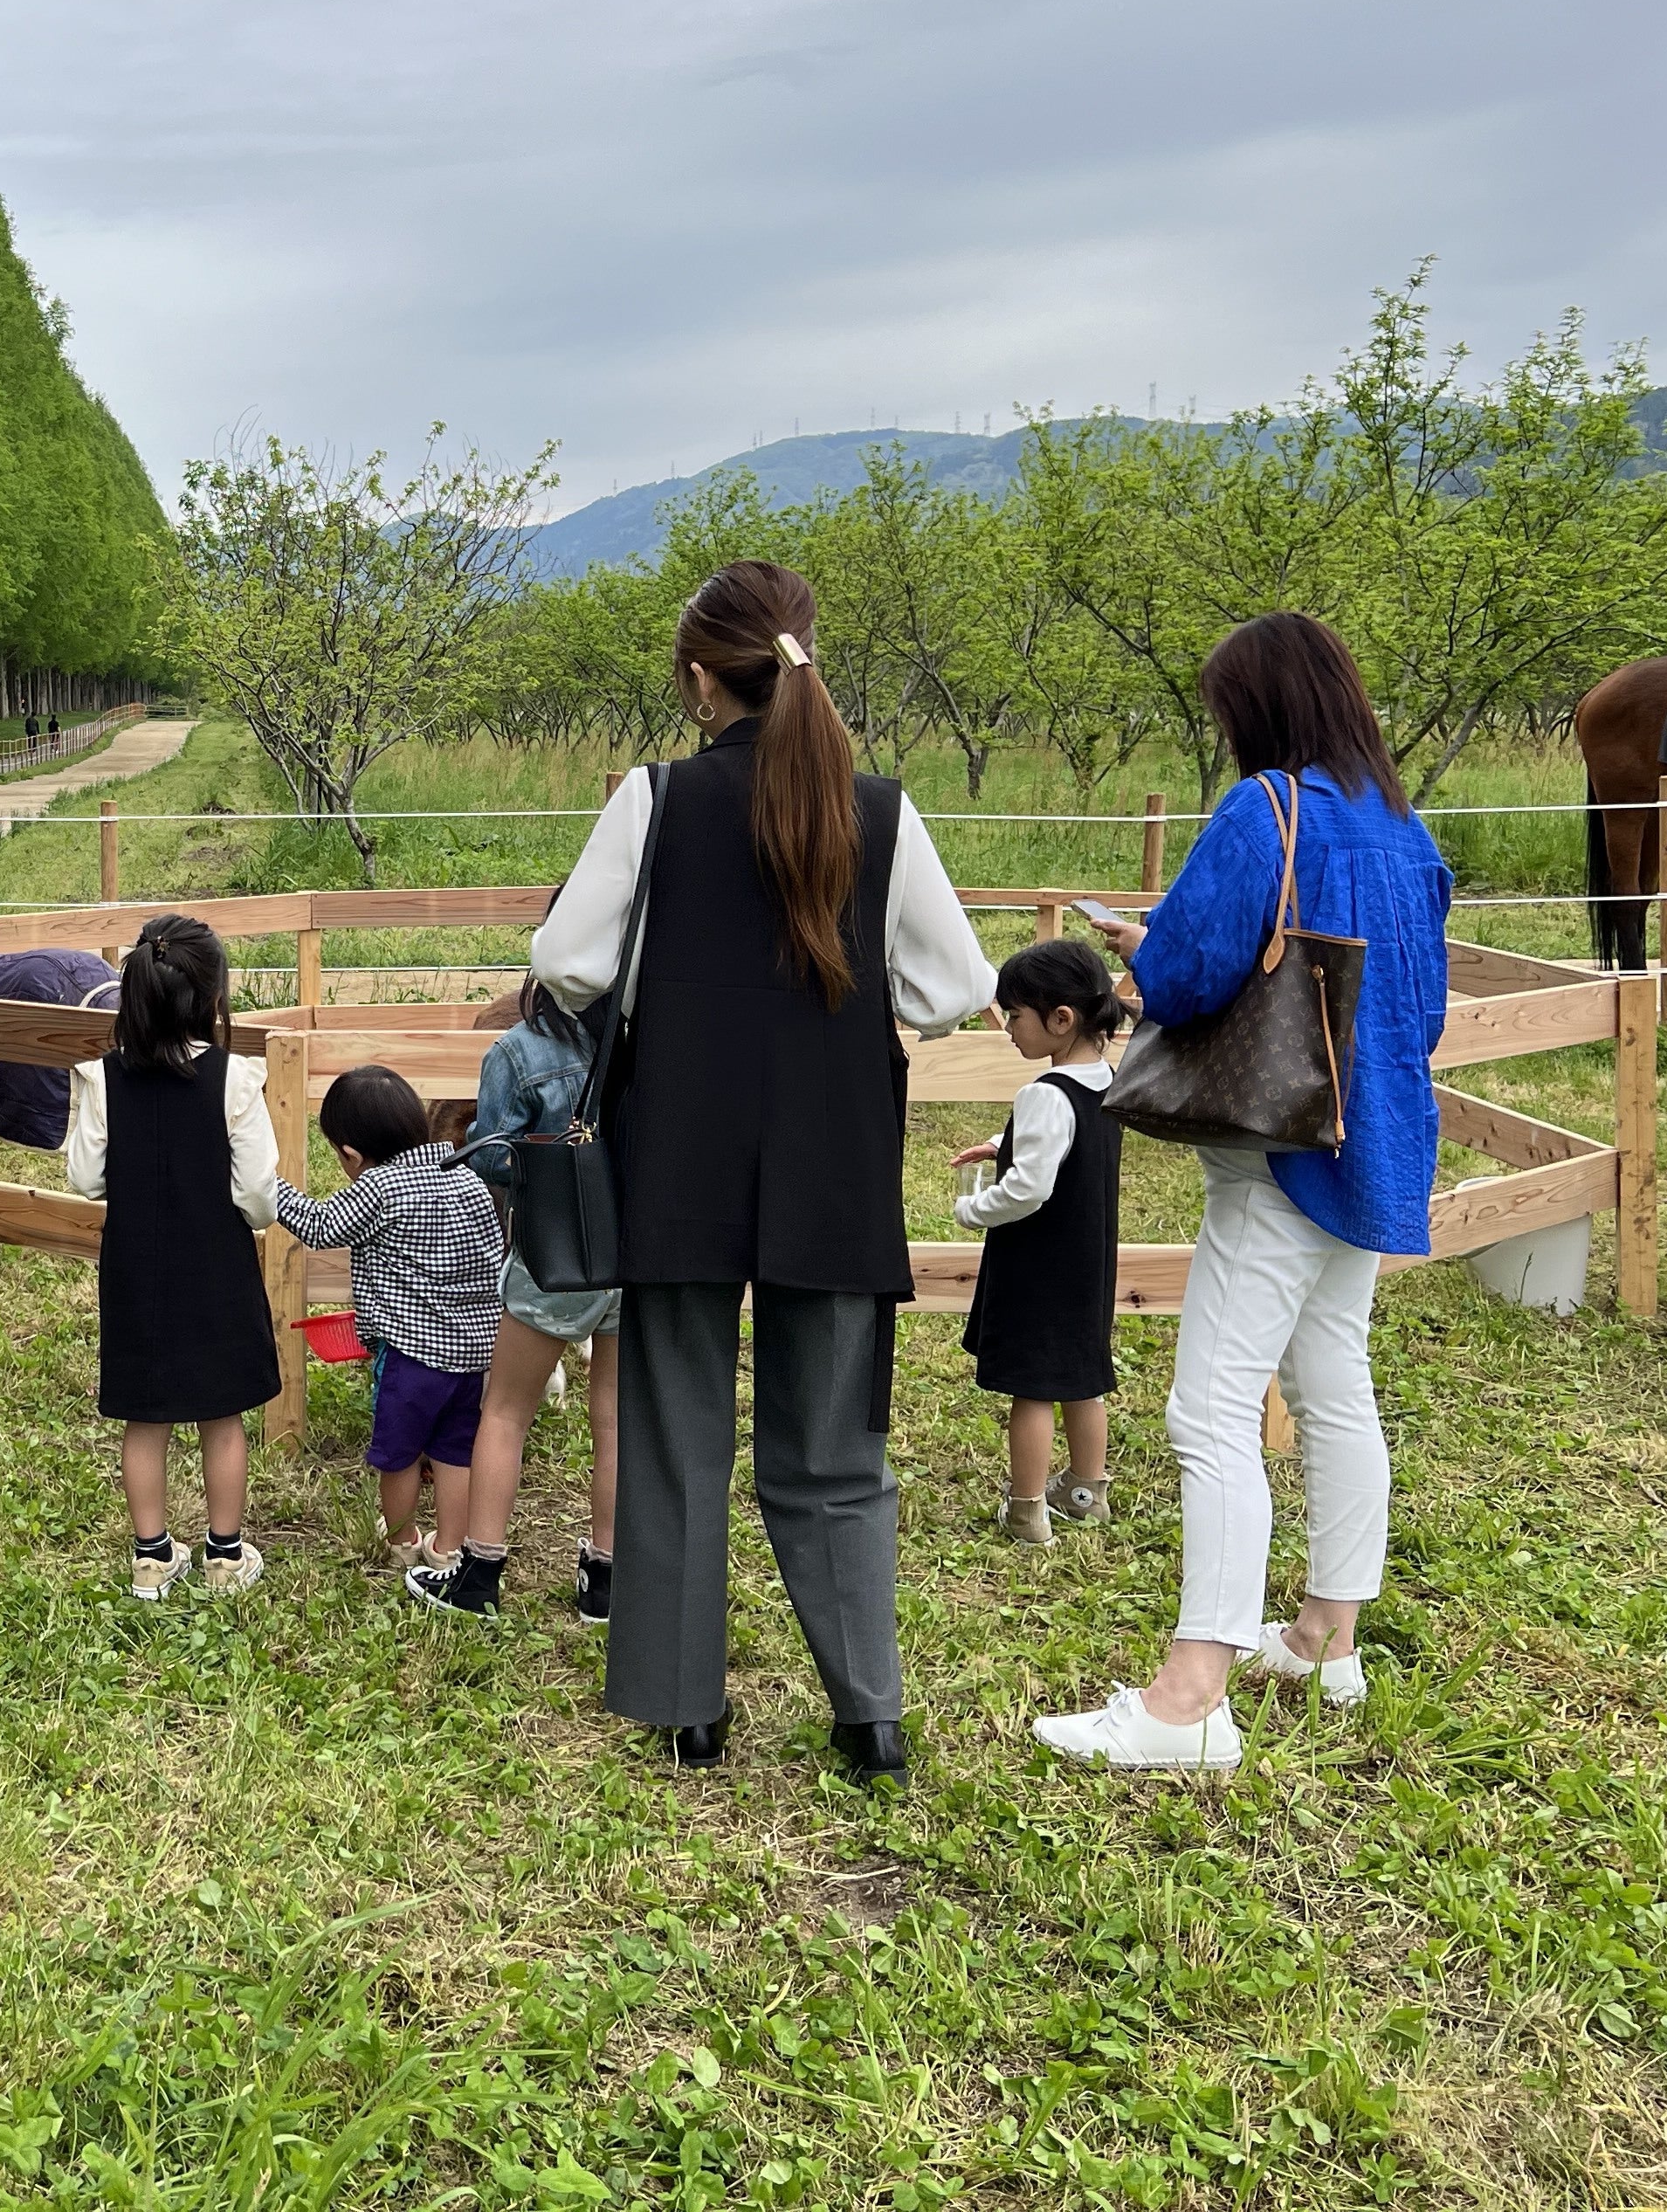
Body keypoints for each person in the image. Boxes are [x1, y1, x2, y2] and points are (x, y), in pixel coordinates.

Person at [533, 560, 995, 1782]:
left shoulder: (656, 800)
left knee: (678, 1436)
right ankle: (869, 1717)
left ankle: (689, 1709)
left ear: (700, 680)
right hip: (835, 1162)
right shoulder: (878, 811)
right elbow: (955, 988)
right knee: (836, 1449)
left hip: (678, 1158)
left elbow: (567, 961)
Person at [1037, 613, 1450, 1771]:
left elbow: (1185, 976)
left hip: (1278, 1152)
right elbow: (1417, 1000)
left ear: (1261, 709)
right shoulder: (1401, 824)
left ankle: (1189, 1699)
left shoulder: (1263, 809)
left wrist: (1144, 943)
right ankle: (1326, 1639)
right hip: (1371, 1140)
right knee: (1334, 1381)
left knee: (1210, 1411)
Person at [61, 913, 282, 1600]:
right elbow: (258, 1196)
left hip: (136, 1270)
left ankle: (152, 1558)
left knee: (146, 1415)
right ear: (214, 998)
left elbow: (85, 1178)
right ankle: (225, 1556)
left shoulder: (103, 1079)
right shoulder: (236, 1080)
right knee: (223, 1416)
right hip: (217, 1267)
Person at [418, 976, 623, 1621]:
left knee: (505, 1412)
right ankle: (606, 1581)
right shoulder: (650, 1036)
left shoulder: (521, 1049)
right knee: (616, 1419)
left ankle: (478, 1575)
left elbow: (491, 1154)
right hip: (635, 1254)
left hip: (556, 1251)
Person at [268, 1065, 506, 1577]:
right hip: (473, 1357)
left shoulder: (380, 1186)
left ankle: (403, 1540)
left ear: (351, 1155)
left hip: (410, 1358)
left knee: (399, 1454)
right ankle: (449, 1547)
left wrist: (268, 1186)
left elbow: (321, 1226)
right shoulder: (466, 1175)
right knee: (455, 1452)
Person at [949, 938, 1129, 1547]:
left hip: (1040, 1267)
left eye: (1015, 1015)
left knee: (1032, 1389)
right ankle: (1086, 1492)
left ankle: (1026, 1510)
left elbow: (1029, 1190)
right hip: (1088, 1263)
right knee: (1082, 1378)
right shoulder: (1105, 1080)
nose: (1008, 1029)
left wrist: (974, 1210)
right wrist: (1004, 1144)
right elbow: (1070, 1145)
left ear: (1061, 1019)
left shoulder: (1044, 1093)